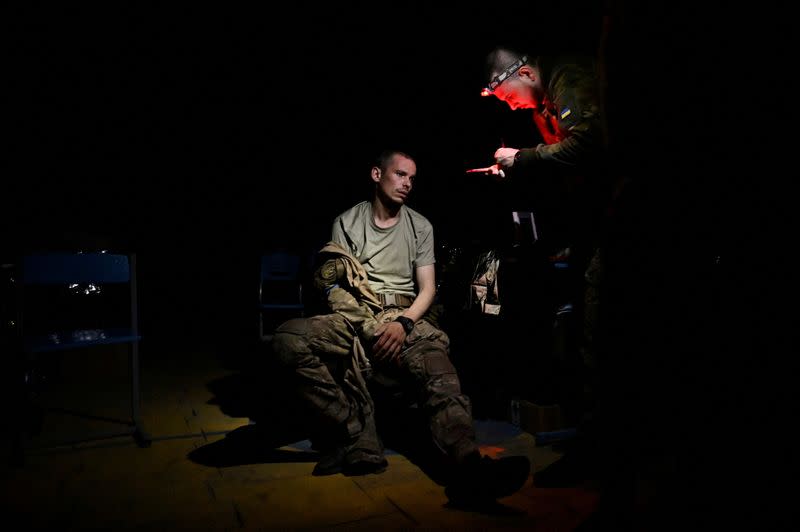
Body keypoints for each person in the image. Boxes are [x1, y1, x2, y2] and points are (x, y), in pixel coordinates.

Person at [269, 149, 530, 504]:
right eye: (400, 174)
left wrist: (404, 323)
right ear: (377, 174)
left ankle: (469, 464)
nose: (407, 184)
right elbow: (335, 288)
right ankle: (353, 431)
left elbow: (427, 289)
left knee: (438, 370)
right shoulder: (347, 222)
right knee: (288, 339)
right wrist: (370, 327)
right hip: (356, 316)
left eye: (412, 178)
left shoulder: (420, 225)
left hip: (406, 317)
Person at [479, 45, 612, 487]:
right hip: (595, 231)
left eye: (507, 95)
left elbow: (590, 145)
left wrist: (525, 157)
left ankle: (602, 456)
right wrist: (518, 167)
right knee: (582, 336)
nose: (510, 104)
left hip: (619, 226)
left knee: (597, 336)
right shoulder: (548, 103)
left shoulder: (568, 76)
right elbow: (571, 167)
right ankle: (594, 444)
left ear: (526, 72)